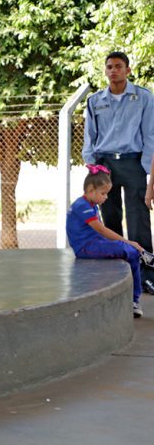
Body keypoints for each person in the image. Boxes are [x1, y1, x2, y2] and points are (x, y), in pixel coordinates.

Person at [82, 51, 154, 293]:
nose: (114, 70)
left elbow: (150, 135)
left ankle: (145, 275)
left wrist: (147, 170)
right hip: (105, 165)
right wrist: (92, 165)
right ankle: (117, 275)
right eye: (110, 67)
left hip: (133, 162)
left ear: (128, 70)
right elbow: (90, 136)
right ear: (105, 71)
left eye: (118, 66)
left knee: (138, 220)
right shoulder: (95, 101)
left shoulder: (143, 97)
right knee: (110, 218)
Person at [67, 165, 144, 318]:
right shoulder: (82, 206)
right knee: (130, 250)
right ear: (90, 190)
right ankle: (133, 300)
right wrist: (128, 242)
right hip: (86, 247)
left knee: (132, 253)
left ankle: (134, 298)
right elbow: (102, 230)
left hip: (94, 244)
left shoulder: (90, 204)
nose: (106, 197)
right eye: (103, 193)